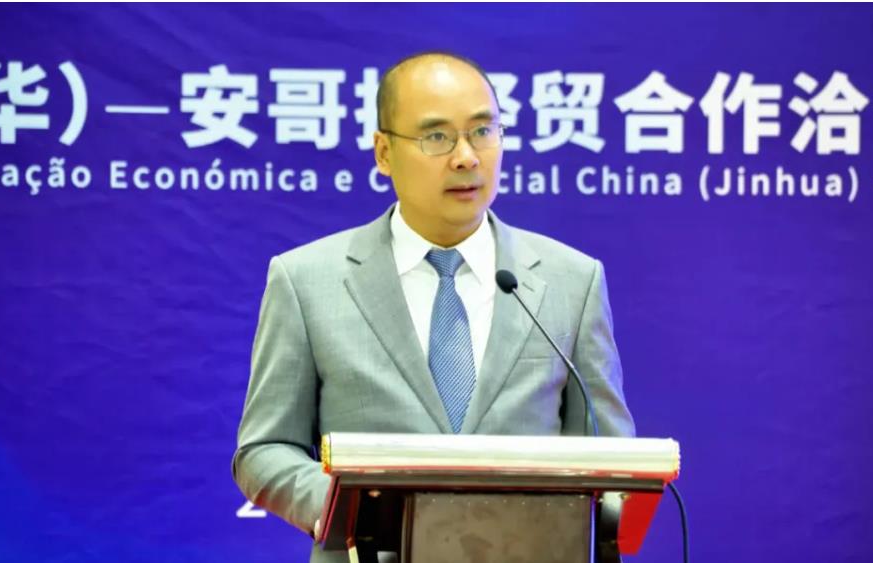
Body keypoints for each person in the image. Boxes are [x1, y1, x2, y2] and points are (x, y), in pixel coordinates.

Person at [232, 51, 635, 562]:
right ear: (384, 153)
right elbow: (264, 449)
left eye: (483, 131)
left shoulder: (570, 280)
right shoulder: (307, 280)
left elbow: (609, 457)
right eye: (437, 136)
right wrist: (347, 510)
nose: (466, 157)